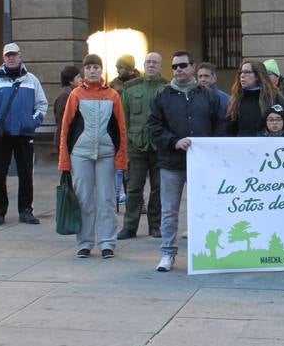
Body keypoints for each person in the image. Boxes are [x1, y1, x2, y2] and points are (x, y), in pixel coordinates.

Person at [148, 50, 226, 272]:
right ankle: (167, 254)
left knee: (205, 209)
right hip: (171, 163)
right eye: (174, 67)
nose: (178, 70)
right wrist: (173, 141)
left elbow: (220, 124)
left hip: (201, 164)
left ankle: (206, 252)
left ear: (193, 67)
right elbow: (154, 126)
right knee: (169, 210)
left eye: (182, 65)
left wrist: (210, 148)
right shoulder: (162, 95)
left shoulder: (208, 95)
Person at [58, 54, 128, 258]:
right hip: (80, 153)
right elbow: (66, 128)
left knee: (107, 199)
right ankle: (85, 243)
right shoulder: (76, 95)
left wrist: (121, 158)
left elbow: (121, 128)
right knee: (84, 199)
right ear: (84, 71)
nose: (93, 71)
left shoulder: (113, 95)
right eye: (89, 67)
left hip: (106, 153)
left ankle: (107, 242)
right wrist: (64, 160)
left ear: (101, 70)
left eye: (96, 67)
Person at [0, 43, 49, 226]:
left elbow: (42, 104)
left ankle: (26, 211)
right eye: (8, 55)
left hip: (24, 134)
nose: (11, 58)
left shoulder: (32, 80)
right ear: (3, 58)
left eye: (14, 55)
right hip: (1, 135)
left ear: (20, 56)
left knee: (26, 174)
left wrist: (33, 122)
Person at [119, 52, 166, 239]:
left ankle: (155, 226)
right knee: (133, 188)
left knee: (158, 188)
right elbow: (124, 118)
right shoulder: (131, 88)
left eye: (155, 62)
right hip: (136, 145)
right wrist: (126, 144)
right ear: (144, 65)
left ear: (161, 66)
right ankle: (129, 227)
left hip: (159, 146)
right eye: (148, 62)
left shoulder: (168, 87)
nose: (151, 65)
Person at [227, 57, 284, 136]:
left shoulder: (273, 95)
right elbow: (229, 126)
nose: (242, 75)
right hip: (241, 144)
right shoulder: (236, 97)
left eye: (247, 72)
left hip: (266, 144)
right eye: (241, 72)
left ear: (258, 76)